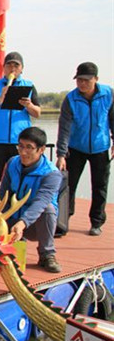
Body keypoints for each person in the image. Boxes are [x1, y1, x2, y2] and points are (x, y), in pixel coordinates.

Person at [56, 61, 113, 236]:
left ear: (96, 79)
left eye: (86, 80)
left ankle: (96, 222)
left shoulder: (108, 94)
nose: (82, 83)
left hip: (100, 147)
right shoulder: (71, 99)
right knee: (68, 186)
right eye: (79, 80)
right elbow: (64, 128)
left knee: (100, 186)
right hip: (76, 148)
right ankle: (63, 222)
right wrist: (61, 154)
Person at [0, 51, 42, 213]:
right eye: (9, 65)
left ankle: (16, 210)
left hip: (20, 142)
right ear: (4, 67)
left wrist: (29, 105)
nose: (12, 68)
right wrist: (1, 98)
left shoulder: (28, 86)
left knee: (18, 176)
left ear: (22, 68)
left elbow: (37, 113)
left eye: (16, 65)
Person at [0, 127, 62, 273]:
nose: (23, 152)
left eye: (29, 147)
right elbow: (4, 194)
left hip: (35, 223)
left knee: (48, 209)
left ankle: (47, 254)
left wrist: (22, 223)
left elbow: (41, 202)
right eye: (20, 146)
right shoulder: (12, 163)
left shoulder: (51, 174)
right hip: (12, 217)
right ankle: (9, 245)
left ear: (41, 149)